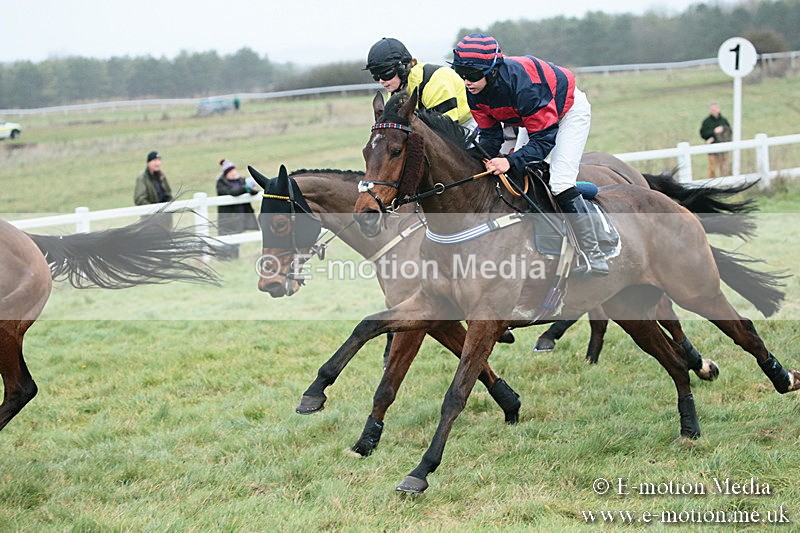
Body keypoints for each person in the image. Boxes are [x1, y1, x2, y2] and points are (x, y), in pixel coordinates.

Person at [450, 33, 608, 276]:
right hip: (529, 120)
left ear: (492, 70)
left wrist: (509, 160)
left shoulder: (525, 85)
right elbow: (491, 137)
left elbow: (544, 139)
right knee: (519, 174)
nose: (466, 82)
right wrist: (474, 162)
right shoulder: (474, 90)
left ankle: (594, 254)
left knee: (560, 181)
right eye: (462, 74)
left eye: (472, 75)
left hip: (568, 112)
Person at [364, 37, 474, 129]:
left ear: (403, 67)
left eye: (386, 73)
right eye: (376, 75)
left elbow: (448, 133)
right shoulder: (397, 87)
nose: (381, 81)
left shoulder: (435, 82)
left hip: (467, 126)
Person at [215, 159, 259, 259]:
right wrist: (246, 188)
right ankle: (225, 259)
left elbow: (254, 191)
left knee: (237, 239)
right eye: (230, 172)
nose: (233, 173)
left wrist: (252, 189)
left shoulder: (242, 180)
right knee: (228, 239)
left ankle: (234, 259)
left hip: (242, 215)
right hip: (228, 216)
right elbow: (233, 192)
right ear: (226, 174)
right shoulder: (221, 183)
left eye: (233, 170)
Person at [134, 150, 173, 228]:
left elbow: (168, 192)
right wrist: (154, 211)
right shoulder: (142, 178)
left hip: (165, 220)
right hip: (150, 222)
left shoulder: (161, 175)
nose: (158, 163)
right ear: (148, 162)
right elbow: (139, 199)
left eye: (159, 160)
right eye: (155, 160)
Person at [699, 102, 732, 178]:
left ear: (718, 109)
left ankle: (725, 184)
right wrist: (714, 132)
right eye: (712, 109)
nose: (714, 111)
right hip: (712, 148)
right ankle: (713, 186)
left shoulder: (724, 120)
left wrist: (723, 129)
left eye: (715, 109)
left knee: (724, 167)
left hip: (723, 148)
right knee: (712, 168)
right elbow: (703, 133)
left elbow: (729, 132)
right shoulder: (706, 122)